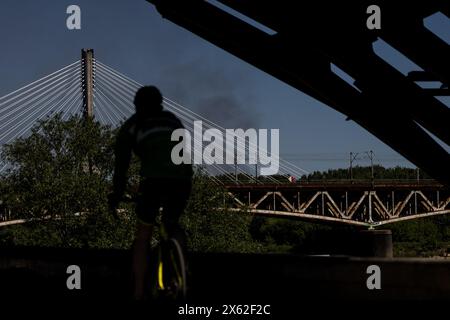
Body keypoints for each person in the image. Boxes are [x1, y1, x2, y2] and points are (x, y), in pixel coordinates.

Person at [108, 86, 192, 300]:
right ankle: (183, 268)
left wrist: (117, 194)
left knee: (143, 235)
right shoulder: (173, 120)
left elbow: (121, 167)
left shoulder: (132, 126)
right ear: (160, 103)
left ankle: (137, 292)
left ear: (137, 105)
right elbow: (184, 156)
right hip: (182, 180)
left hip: (154, 182)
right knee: (171, 224)